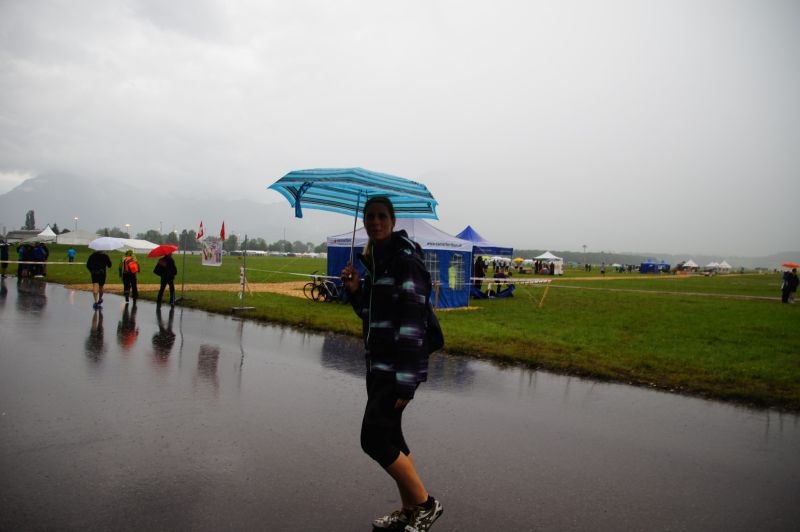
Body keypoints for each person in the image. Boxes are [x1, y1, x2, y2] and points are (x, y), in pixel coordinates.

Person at [340, 196, 443, 532]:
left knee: (372, 438)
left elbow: (413, 324)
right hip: (377, 365)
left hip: (396, 369)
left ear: (393, 220)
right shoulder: (378, 263)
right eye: (370, 216)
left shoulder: (405, 261)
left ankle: (426, 505)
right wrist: (356, 291)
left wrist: (405, 381)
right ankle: (409, 509)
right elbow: (373, 317)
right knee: (392, 437)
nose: (375, 222)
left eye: (381, 216)